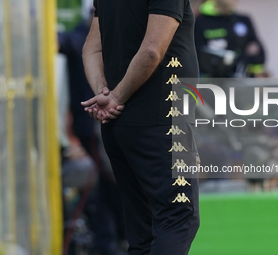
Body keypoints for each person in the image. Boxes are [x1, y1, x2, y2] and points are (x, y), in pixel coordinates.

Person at [81, 0, 200, 254]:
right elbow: (151, 51)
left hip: (120, 124)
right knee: (178, 217)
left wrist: (104, 93)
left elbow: (91, 50)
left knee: (142, 231)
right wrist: (115, 97)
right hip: (161, 120)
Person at [58, 17, 126, 255]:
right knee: (108, 185)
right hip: (94, 126)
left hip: (99, 124)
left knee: (109, 186)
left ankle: (113, 240)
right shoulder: (80, 39)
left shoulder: (105, 35)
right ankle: (109, 242)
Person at [195, 0, 265, 77]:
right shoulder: (200, 21)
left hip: (242, 82)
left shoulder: (243, 20)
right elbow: (199, 57)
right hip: (211, 83)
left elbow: (259, 55)